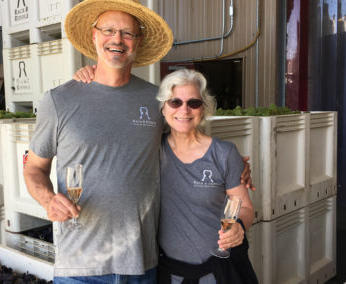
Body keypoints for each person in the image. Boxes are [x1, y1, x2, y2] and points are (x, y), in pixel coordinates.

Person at [25, 0, 253, 283]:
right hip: (80, 267)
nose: (117, 40)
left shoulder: (156, 99)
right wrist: (48, 200)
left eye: (127, 33)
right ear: (94, 36)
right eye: (108, 30)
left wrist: (234, 166)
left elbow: (186, 139)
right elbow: (34, 168)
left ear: (138, 42)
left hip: (143, 265)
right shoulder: (59, 100)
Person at [156, 69, 258, 283]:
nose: (184, 110)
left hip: (218, 271)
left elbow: (246, 207)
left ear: (203, 108)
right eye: (175, 102)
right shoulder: (152, 150)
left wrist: (239, 226)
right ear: (163, 107)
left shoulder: (224, 153)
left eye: (193, 103)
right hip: (169, 272)